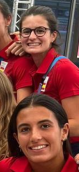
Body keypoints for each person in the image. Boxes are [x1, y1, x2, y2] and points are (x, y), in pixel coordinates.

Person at [19, 5, 79, 154]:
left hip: (67, 151)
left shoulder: (64, 68)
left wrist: (34, 130)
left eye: (40, 31)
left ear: (53, 36)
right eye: (26, 31)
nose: (32, 37)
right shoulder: (30, 66)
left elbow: (77, 125)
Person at [0, 94, 78, 172]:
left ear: (64, 131)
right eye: (25, 129)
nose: (34, 137)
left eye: (45, 126)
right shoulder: (5, 170)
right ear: (17, 139)